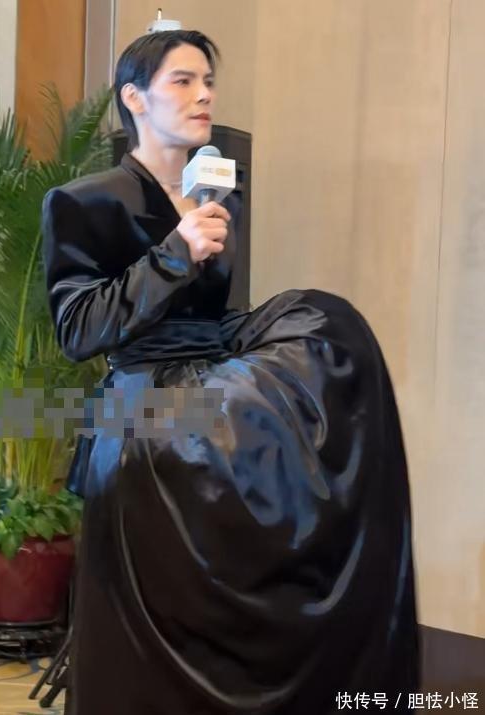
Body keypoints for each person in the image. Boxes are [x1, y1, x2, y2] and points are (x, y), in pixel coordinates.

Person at [42, 29, 419, 715]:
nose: (204, 95)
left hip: (211, 390)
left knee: (330, 327)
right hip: (143, 401)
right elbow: (78, 329)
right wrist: (173, 254)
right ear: (135, 98)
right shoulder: (84, 200)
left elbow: (219, 313)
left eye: (208, 81)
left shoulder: (218, 193)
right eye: (183, 80)